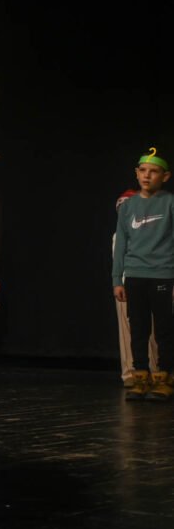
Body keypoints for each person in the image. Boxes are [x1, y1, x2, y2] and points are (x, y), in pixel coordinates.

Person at [113, 149, 174, 399]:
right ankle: (140, 377)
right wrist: (117, 279)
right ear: (136, 173)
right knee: (138, 328)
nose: (147, 175)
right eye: (143, 170)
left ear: (165, 176)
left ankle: (164, 377)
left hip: (162, 275)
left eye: (153, 171)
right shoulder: (128, 207)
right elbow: (121, 245)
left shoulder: (170, 203)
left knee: (164, 329)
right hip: (135, 276)